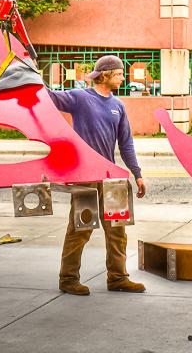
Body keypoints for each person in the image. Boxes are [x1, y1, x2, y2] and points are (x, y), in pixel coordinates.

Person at [47, 55, 147, 296]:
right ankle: (68, 279)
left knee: (117, 231)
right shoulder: (81, 98)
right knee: (80, 229)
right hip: (85, 178)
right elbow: (49, 97)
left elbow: (126, 144)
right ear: (106, 74)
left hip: (112, 179)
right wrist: (29, 73)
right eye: (120, 73)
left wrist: (137, 174)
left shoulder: (118, 106)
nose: (123, 77)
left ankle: (118, 278)